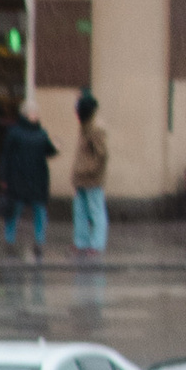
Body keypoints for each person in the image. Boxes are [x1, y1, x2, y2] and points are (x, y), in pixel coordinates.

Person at [0, 101, 54, 254]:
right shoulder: (17, 133)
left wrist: (54, 147)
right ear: (25, 114)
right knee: (15, 210)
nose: (35, 115)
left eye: (36, 112)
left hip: (33, 178)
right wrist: (4, 177)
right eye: (33, 112)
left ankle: (39, 242)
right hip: (22, 178)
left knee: (38, 211)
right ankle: (10, 241)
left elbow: (48, 151)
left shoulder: (39, 133)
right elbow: (6, 156)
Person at [69, 91, 109, 254]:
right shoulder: (85, 127)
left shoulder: (95, 129)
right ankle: (81, 242)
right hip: (81, 177)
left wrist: (89, 170)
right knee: (80, 211)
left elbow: (102, 155)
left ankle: (97, 244)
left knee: (96, 211)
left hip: (92, 178)